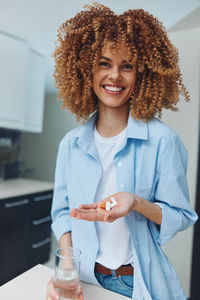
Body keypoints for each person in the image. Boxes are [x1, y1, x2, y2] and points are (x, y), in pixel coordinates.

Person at [46, 2, 198, 300]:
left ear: (141, 74)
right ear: (86, 69)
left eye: (126, 66)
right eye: (104, 63)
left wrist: (137, 203)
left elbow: (181, 214)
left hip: (133, 283)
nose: (115, 75)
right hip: (83, 279)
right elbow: (62, 212)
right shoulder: (71, 144)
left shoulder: (163, 141)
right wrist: (67, 267)